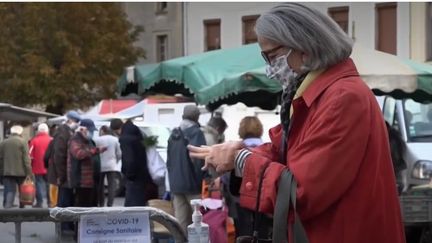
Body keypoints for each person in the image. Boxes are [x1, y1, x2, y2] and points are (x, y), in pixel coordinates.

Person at [188, 3, 405, 243]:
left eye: (272, 56)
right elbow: (285, 151)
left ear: (305, 47)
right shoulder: (317, 94)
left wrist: (241, 160)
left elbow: (302, 191)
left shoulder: (341, 97)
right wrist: (236, 153)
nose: (270, 69)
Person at [167, 105, 207, 232]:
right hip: (192, 184)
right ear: (197, 117)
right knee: (199, 222)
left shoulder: (174, 134)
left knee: (181, 222)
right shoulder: (196, 133)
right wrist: (204, 178)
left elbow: (169, 161)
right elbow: (199, 159)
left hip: (176, 185)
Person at [53, 110, 80, 233]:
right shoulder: (62, 132)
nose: (77, 124)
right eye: (76, 121)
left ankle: (67, 225)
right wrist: (61, 175)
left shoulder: (67, 131)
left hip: (67, 172)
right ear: (69, 120)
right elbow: (59, 155)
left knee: (67, 199)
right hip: (64, 173)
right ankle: (64, 226)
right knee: (64, 200)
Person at [67, 119, 105, 207]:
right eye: (90, 130)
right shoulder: (75, 140)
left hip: (90, 181)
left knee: (91, 205)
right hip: (80, 181)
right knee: (82, 206)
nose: (91, 133)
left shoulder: (89, 141)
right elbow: (79, 154)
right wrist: (95, 151)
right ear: (83, 129)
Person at [119, 120, 157, 206]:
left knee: (132, 203)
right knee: (139, 202)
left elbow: (129, 159)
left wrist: (129, 175)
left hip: (133, 177)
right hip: (142, 175)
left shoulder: (126, 140)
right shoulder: (138, 137)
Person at [0, 125, 32, 208]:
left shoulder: (3, 142)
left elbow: (1, 159)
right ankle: (21, 208)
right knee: (22, 190)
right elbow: (26, 159)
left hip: (7, 171)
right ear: (20, 132)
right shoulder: (23, 142)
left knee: (10, 190)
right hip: (21, 172)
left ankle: (7, 207)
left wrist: (1, 171)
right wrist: (29, 172)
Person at [94, 125, 121, 207]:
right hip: (112, 165)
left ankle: (101, 203)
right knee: (111, 185)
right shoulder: (115, 139)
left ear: (102, 131)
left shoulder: (97, 140)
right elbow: (119, 153)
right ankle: (110, 203)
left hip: (100, 165)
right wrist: (116, 161)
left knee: (100, 186)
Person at [29, 123, 52, 208]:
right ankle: (50, 202)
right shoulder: (51, 140)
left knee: (38, 184)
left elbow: (30, 154)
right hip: (49, 167)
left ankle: (40, 202)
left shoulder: (34, 140)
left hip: (37, 166)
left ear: (38, 131)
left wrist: (31, 165)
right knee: (49, 184)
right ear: (47, 131)